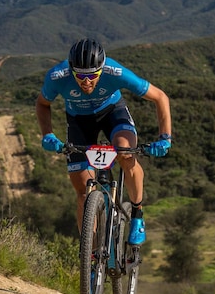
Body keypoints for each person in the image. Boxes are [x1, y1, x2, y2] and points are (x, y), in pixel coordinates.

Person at [36, 38, 172, 245]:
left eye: (93, 76)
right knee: (83, 191)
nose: (87, 82)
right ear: (71, 70)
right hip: (79, 122)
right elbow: (42, 103)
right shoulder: (57, 77)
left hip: (113, 114)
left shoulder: (114, 71)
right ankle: (89, 253)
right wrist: (47, 134)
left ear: (102, 69)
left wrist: (165, 138)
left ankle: (137, 215)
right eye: (80, 76)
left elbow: (160, 97)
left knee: (125, 153)